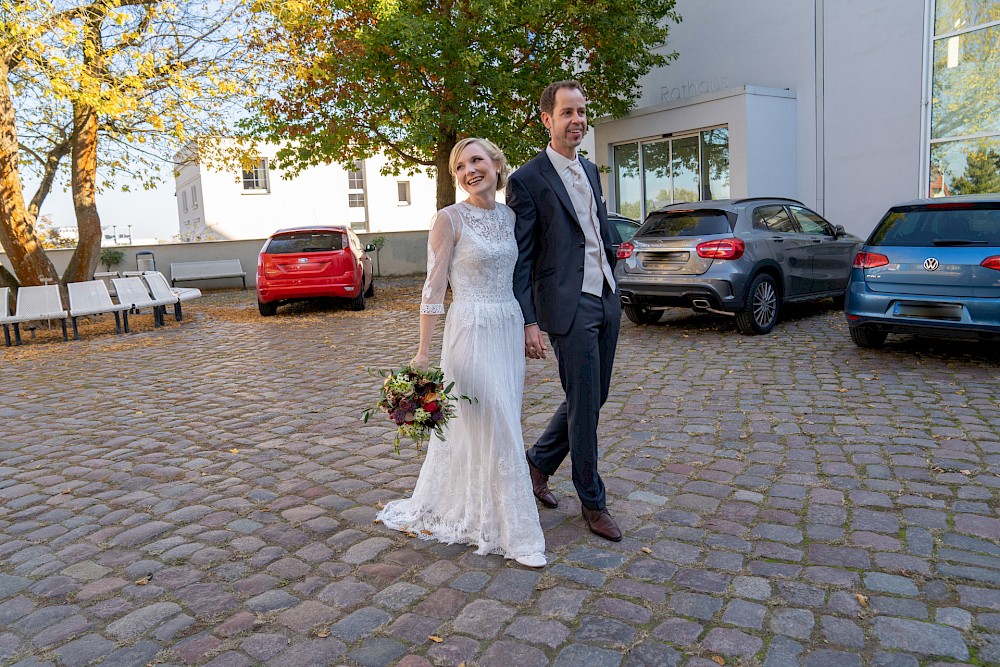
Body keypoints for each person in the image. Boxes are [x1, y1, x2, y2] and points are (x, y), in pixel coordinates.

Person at [377, 138, 547, 568]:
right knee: (498, 421)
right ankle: (517, 535)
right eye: (459, 166)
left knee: (499, 419)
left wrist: (530, 324)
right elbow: (433, 289)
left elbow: (521, 277)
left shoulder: (512, 217)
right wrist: (421, 353)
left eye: (476, 160)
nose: (468, 170)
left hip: (506, 327)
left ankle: (482, 510)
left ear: (495, 164)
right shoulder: (447, 219)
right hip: (469, 328)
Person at [506, 80, 624, 542]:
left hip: (607, 296)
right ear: (547, 119)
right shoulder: (527, 179)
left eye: (582, 112)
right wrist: (529, 320)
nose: (577, 120)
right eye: (567, 112)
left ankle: (537, 465)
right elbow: (523, 256)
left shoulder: (592, 171)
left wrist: (614, 268)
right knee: (584, 401)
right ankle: (592, 500)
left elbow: (596, 229)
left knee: (592, 397)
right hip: (568, 306)